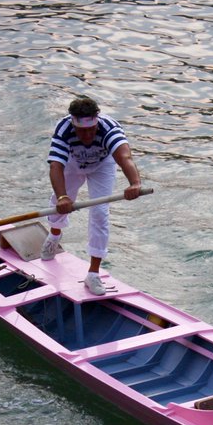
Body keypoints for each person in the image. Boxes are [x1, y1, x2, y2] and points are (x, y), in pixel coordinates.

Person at [43, 96, 143, 295]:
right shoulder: (64, 129)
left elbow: (125, 157)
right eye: (82, 131)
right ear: (74, 124)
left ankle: (93, 274)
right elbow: (56, 166)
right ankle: (54, 235)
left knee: (99, 214)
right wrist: (63, 197)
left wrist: (135, 183)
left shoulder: (109, 129)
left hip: (102, 166)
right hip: (72, 163)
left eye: (91, 129)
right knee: (59, 202)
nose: (88, 135)